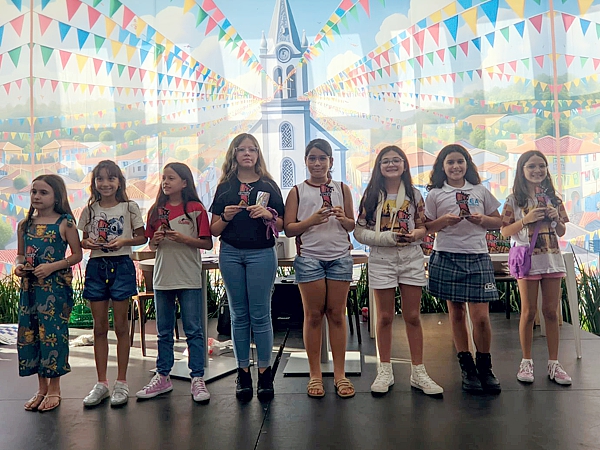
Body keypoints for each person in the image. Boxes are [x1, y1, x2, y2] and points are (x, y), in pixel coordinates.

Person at [354, 145, 443, 395]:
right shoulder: (371, 195)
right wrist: (385, 238)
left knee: (412, 316)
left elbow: (423, 226)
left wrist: (415, 234)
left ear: (404, 165)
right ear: (379, 167)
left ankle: (418, 371)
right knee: (384, 317)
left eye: (396, 160)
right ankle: (385, 369)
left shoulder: (414, 194)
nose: (391, 164)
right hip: (382, 258)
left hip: (410, 257)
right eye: (386, 161)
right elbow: (359, 231)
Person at [210, 133, 284, 401]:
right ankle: (242, 372)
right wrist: (226, 217)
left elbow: (283, 224)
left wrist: (268, 215)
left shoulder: (269, 185)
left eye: (252, 149)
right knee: (238, 315)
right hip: (231, 252)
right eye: (242, 149)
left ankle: (264, 372)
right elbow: (214, 229)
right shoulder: (225, 187)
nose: (247, 154)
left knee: (261, 314)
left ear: (258, 154)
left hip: (261, 253)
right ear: (234, 154)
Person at [424, 144, 502, 394]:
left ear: (467, 164)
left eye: (460, 161)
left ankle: (485, 367)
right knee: (456, 313)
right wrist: (443, 222)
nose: (456, 166)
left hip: (477, 255)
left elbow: (499, 221)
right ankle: (467, 367)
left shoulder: (480, 190)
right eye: (450, 162)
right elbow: (426, 227)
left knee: (481, 317)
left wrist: (484, 220)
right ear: (442, 167)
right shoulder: (435, 194)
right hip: (446, 255)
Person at [284, 138, 356, 399]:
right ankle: (315, 374)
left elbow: (352, 225)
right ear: (305, 161)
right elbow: (288, 229)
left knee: (337, 315)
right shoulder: (297, 191)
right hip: (309, 258)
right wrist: (311, 220)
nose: (317, 163)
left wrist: (343, 218)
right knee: (313, 315)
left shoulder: (342, 189)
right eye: (312, 158)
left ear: (331, 161)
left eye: (322, 158)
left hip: (340, 257)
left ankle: (340, 374)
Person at [136, 163, 213, 403]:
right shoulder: (156, 211)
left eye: (171, 178)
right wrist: (157, 240)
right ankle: (162, 376)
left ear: (184, 182)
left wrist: (184, 239)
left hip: (188, 277)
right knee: (164, 331)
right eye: (164, 178)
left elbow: (207, 243)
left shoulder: (196, 209)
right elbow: (151, 245)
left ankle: (197, 378)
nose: (166, 183)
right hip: (163, 278)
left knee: (193, 330)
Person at [500, 150, 571, 385]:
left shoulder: (554, 199)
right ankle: (526, 361)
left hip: (551, 258)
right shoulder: (513, 200)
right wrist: (526, 220)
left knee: (551, 312)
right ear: (522, 170)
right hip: (528, 260)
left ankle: (554, 363)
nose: (537, 170)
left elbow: (561, 231)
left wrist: (556, 218)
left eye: (541, 166)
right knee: (529, 312)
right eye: (531, 166)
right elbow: (504, 231)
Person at [79, 160, 147, 407]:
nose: (105, 183)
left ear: (119, 182)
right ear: (94, 182)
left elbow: (142, 237)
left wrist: (123, 241)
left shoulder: (129, 207)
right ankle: (101, 383)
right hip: (97, 266)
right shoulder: (90, 209)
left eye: (110, 178)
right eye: (100, 178)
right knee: (99, 327)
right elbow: (83, 240)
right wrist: (88, 243)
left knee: (120, 326)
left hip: (122, 265)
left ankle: (122, 382)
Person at [16, 174, 83, 412]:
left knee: (53, 334)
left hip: (55, 288)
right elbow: (20, 255)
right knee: (31, 332)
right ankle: (41, 388)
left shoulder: (66, 223)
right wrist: (19, 267)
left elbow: (77, 255)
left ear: (56, 196)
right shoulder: (24, 224)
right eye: (34, 192)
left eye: (43, 192)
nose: (36, 196)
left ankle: (55, 388)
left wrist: (52, 267)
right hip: (30, 288)